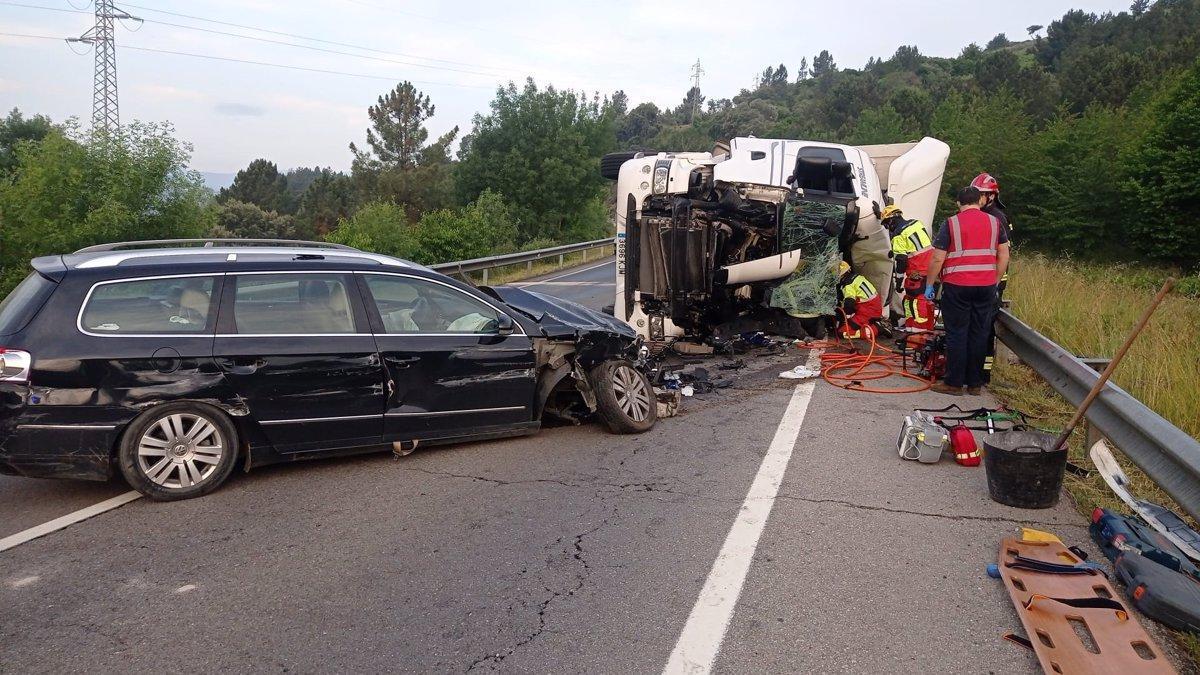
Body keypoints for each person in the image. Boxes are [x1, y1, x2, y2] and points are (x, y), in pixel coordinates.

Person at [924, 187, 1011, 395]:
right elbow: (1004, 255)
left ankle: (954, 383)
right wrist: (995, 280)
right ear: (980, 201)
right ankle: (974, 384)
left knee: (957, 333)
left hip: (958, 286)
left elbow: (937, 257)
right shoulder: (995, 222)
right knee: (979, 333)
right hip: (986, 286)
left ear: (958, 203)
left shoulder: (951, 223)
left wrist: (930, 284)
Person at [970, 172, 1014, 382]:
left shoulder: (996, 218)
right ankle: (976, 371)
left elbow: (1001, 255)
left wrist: (995, 284)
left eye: (980, 195)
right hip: (986, 282)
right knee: (979, 327)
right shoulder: (989, 216)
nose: (976, 199)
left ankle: (983, 374)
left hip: (992, 283)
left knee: (984, 329)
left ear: (991, 196)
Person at [837, 260, 883, 340]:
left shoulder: (848, 285)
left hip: (868, 310)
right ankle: (872, 324)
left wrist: (846, 318)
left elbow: (849, 303)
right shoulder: (857, 277)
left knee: (842, 332)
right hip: (872, 307)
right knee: (849, 325)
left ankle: (876, 329)